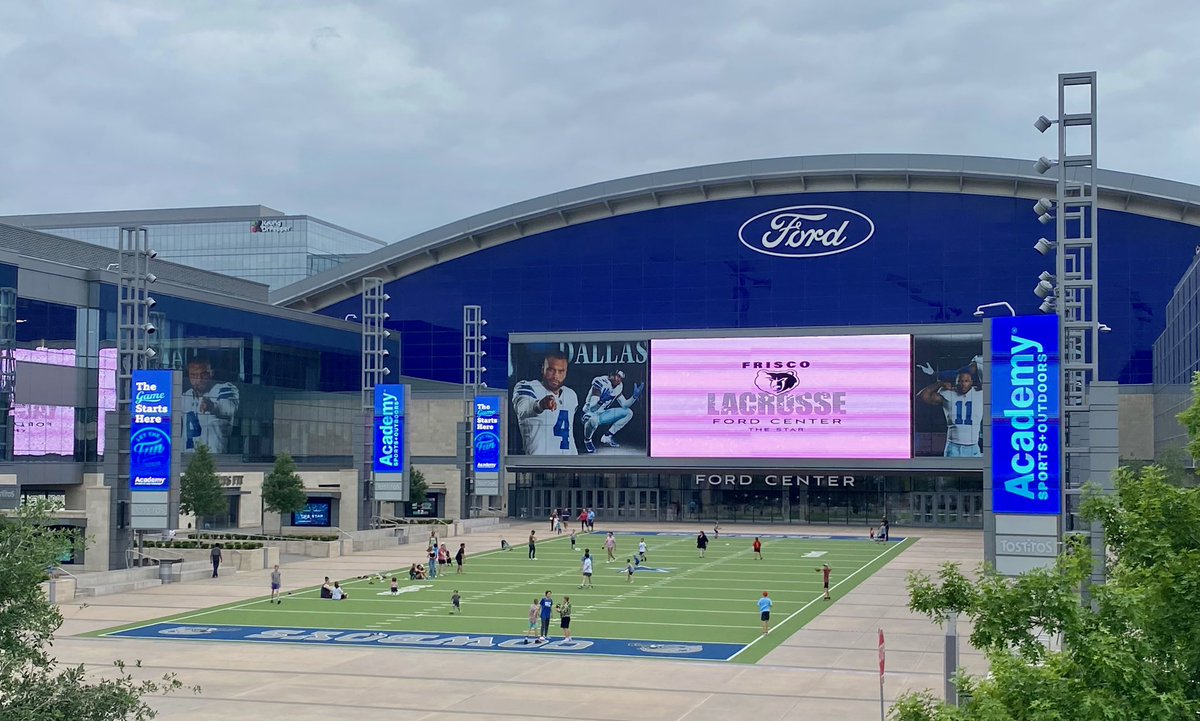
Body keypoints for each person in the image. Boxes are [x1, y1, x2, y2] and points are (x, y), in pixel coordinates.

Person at [512, 350, 579, 455]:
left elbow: (570, 434)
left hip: (567, 461)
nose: (556, 376)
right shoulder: (528, 387)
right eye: (551, 370)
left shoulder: (571, 395)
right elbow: (522, 409)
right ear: (543, 369)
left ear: (566, 372)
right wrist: (540, 405)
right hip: (539, 462)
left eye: (561, 371)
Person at [917, 354, 985, 457]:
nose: (963, 383)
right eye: (960, 381)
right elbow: (961, 372)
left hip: (974, 442)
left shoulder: (980, 393)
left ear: (971, 382)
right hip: (953, 445)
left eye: (966, 381)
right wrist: (939, 379)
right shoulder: (950, 393)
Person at [183, 356, 240, 453]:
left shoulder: (223, 389)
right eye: (193, 375)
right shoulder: (186, 396)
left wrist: (212, 406)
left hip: (215, 456)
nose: (199, 379)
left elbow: (229, 407)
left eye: (203, 374)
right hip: (188, 456)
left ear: (211, 373)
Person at [580, 369, 643, 453]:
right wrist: (601, 401)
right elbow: (592, 408)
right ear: (611, 375)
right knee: (592, 420)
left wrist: (633, 397)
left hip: (602, 414)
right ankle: (587, 440)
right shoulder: (600, 381)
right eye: (618, 376)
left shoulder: (619, 386)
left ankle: (607, 436)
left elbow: (624, 405)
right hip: (589, 413)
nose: (619, 380)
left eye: (621, 378)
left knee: (628, 412)